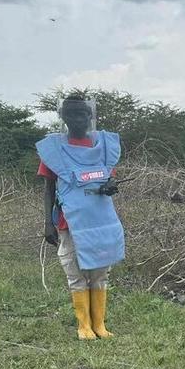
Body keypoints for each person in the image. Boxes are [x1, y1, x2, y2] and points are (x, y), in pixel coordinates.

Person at [36, 95, 125, 340]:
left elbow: (107, 179)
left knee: (100, 272)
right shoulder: (54, 150)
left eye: (82, 114)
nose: (78, 119)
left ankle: (100, 325)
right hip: (69, 222)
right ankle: (83, 326)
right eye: (72, 115)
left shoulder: (103, 146)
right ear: (63, 118)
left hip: (100, 221)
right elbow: (48, 189)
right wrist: (48, 223)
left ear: (90, 116)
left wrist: (110, 186)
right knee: (74, 271)